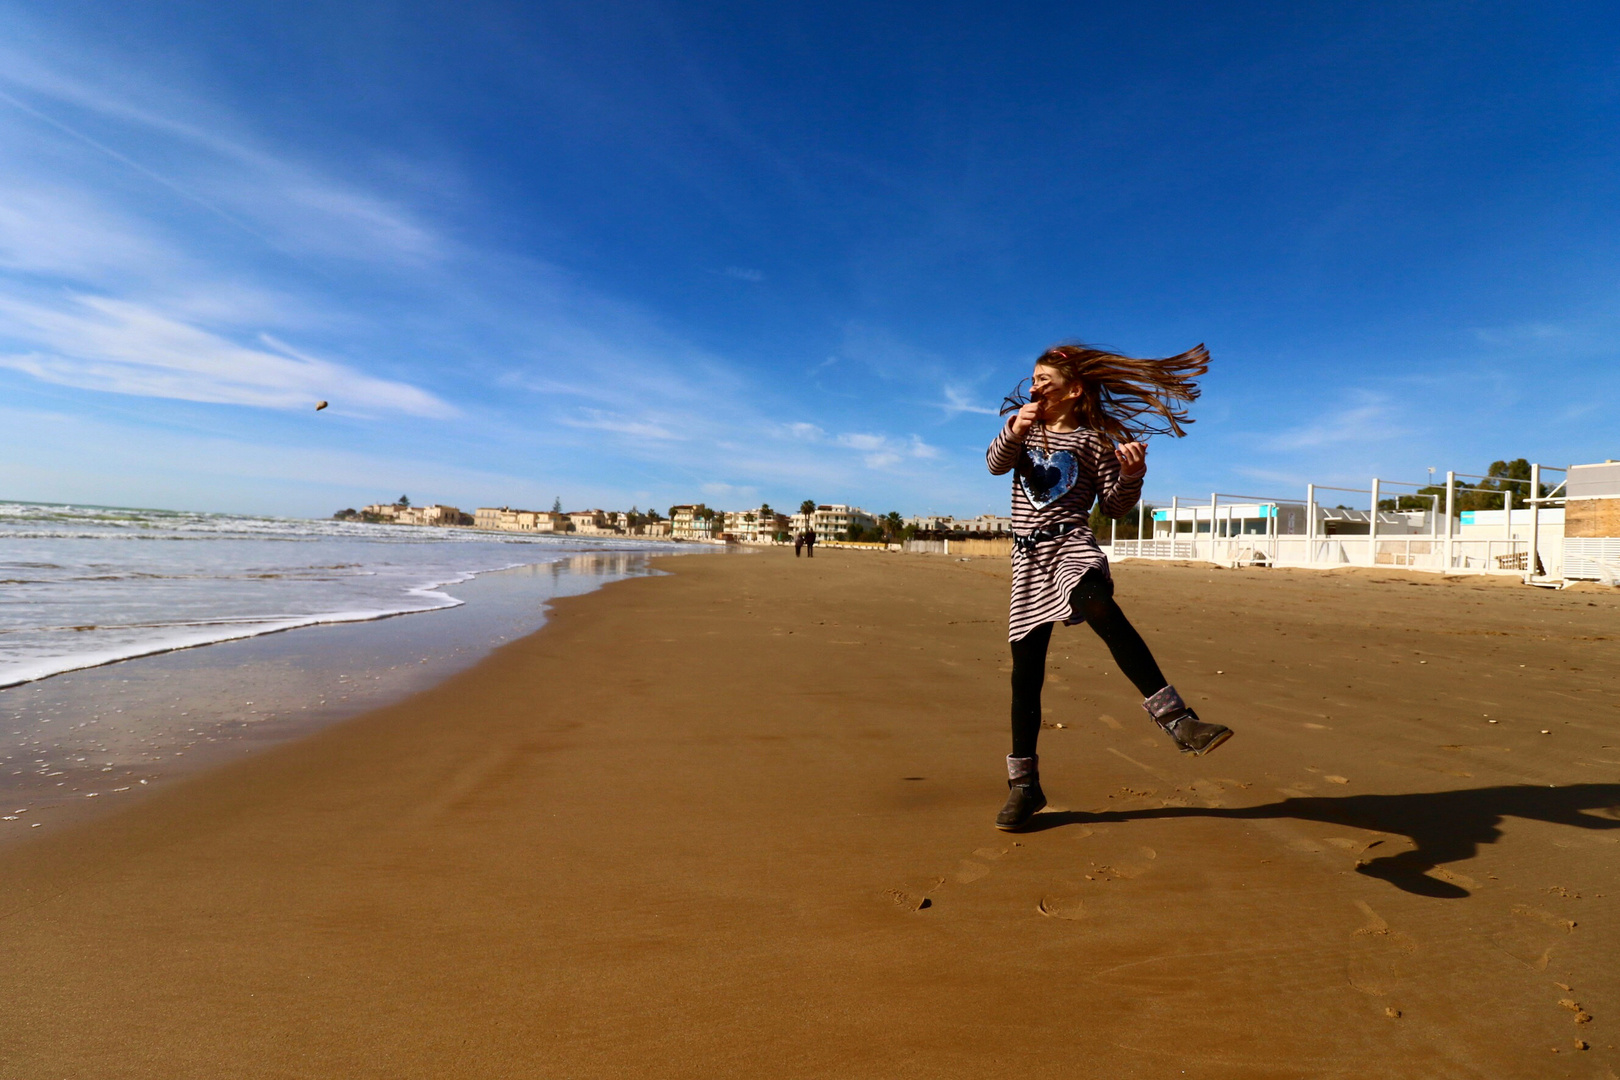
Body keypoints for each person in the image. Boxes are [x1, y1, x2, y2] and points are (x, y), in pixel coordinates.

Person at [986, 342, 1232, 832]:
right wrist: (1015, 428)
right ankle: (1024, 787)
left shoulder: (1094, 442)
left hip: (1073, 545)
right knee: (1026, 673)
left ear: (1073, 390)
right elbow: (996, 463)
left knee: (1099, 607)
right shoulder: (1021, 430)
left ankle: (1178, 721)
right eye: (1032, 381)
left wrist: (1133, 473)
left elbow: (1115, 507)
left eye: (1045, 381)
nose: (1034, 388)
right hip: (1028, 558)